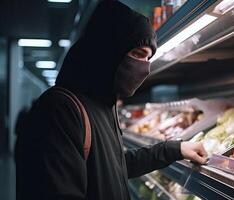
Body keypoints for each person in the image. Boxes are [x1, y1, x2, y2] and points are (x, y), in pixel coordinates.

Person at [16, 1, 207, 200]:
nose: (145, 68)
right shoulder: (60, 109)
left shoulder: (104, 105)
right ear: (108, 50)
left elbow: (112, 168)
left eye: (148, 58)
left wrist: (175, 149)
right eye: (138, 54)